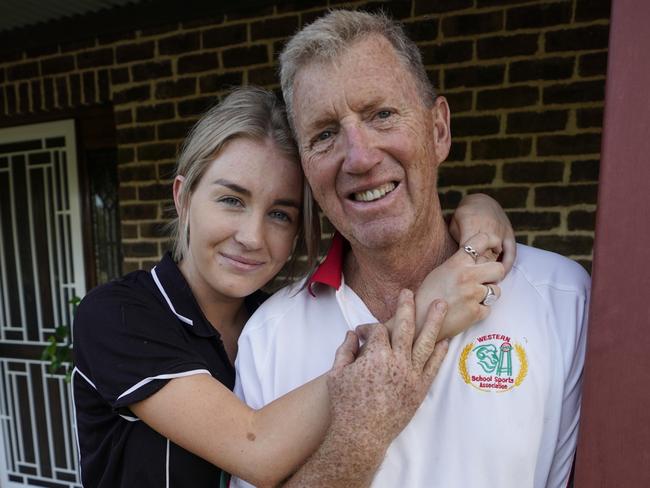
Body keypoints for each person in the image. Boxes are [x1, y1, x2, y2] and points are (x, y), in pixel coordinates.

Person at [71, 86, 516, 487]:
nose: (251, 236)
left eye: (280, 214)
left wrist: (474, 214)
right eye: (231, 200)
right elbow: (255, 447)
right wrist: (425, 312)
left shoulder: (274, 326)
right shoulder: (118, 315)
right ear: (183, 197)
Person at [233, 10, 591, 488]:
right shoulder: (268, 338)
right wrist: (357, 439)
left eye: (381, 114)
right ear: (306, 168)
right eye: (324, 135)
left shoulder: (562, 299)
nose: (359, 157)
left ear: (438, 131)